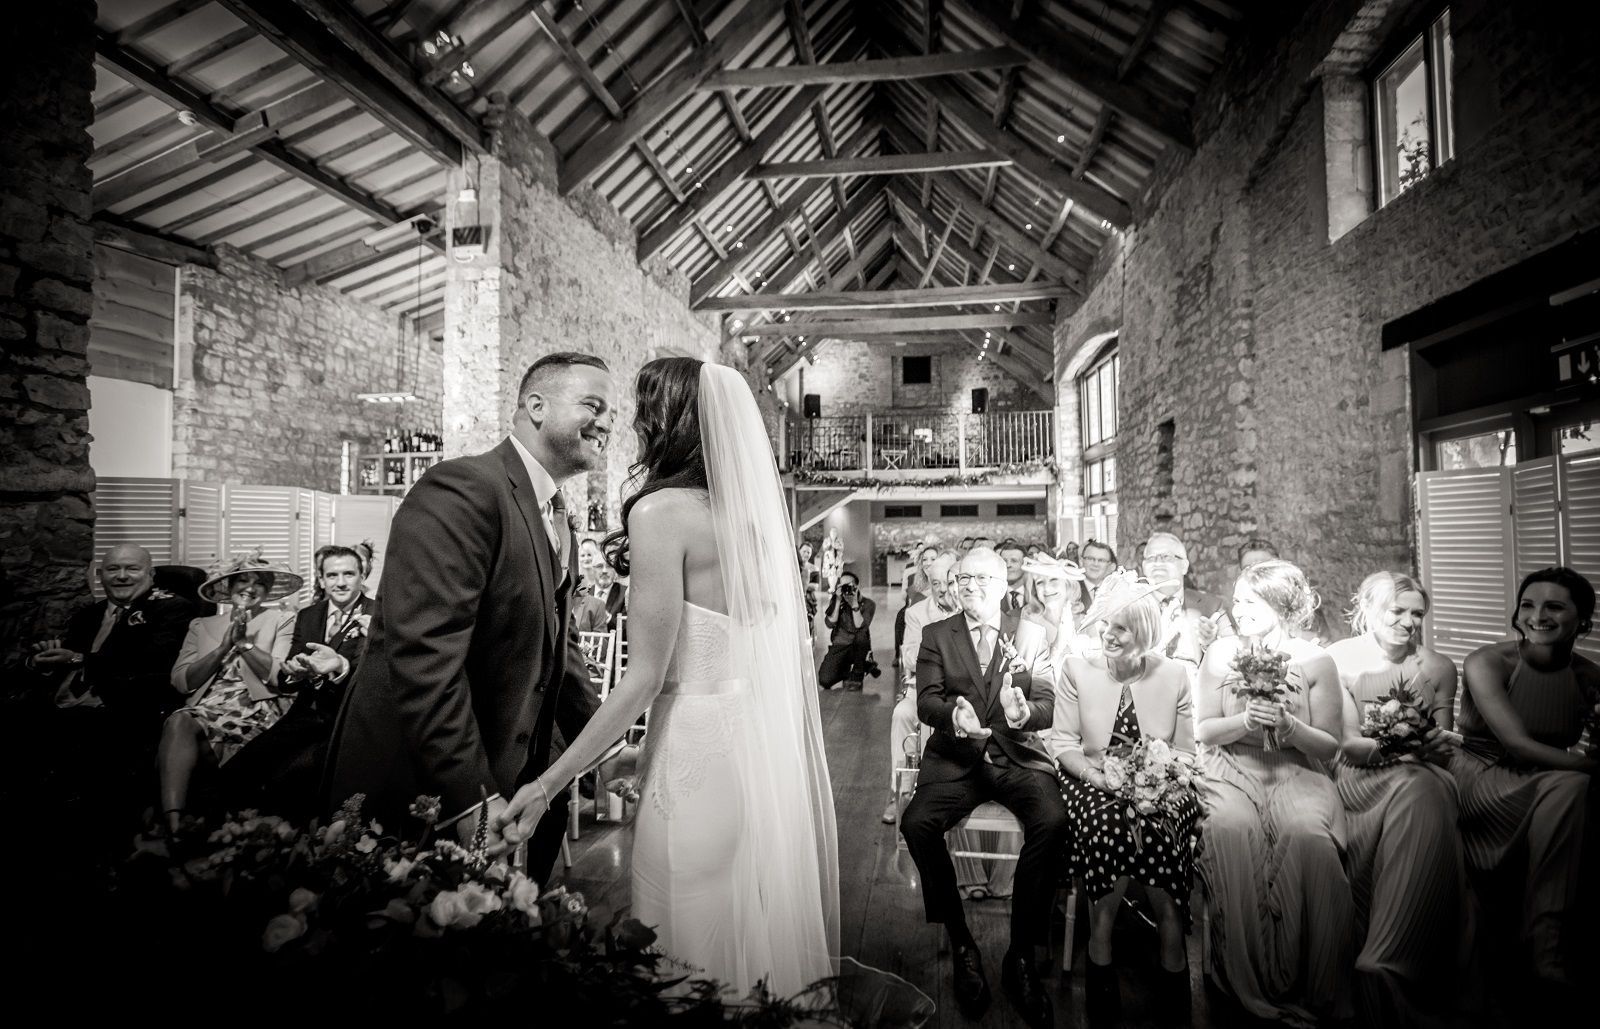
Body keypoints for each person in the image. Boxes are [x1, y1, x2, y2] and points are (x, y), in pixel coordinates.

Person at [496, 358, 838, 997]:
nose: (633, 423)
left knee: (676, 947)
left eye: (644, 408)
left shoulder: (661, 512)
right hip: (748, 760)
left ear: (670, 420)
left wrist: (548, 784)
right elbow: (801, 641)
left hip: (691, 767)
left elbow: (645, 680)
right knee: (738, 949)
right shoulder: (753, 521)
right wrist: (637, 751)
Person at [325, 352, 608, 885]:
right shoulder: (464, 489)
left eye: (611, 411)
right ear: (536, 406)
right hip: (428, 799)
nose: (608, 422)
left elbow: (560, 653)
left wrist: (600, 751)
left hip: (521, 789)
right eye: (593, 405)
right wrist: (471, 798)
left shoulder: (555, 513)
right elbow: (424, 658)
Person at [899, 547, 1065, 1029]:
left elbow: (1046, 700)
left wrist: (1023, 714)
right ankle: (961, 939)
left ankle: (1021, 955)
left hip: (1015, 756)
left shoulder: (1031, 633)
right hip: (956, 759)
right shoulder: (936, 634)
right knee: (917, 824)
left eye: (981, 578)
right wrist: (953, 716)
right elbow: (927, 699)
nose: (970, 586)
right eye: (963, 578)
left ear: (1003, 584)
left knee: (1053, 822)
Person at [1195, 559, 1352, 1024]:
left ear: (1282, 605)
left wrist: (1289, 727)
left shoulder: (1316, 660)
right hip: (1231, 767)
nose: (1238, 610)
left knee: (1308, 836)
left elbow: (1329, 743)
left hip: (1296, 768)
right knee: (1230, 829)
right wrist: (1245, 723)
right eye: (1237, 599)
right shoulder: (1221, 653)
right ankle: (1242, 976)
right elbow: (1203, 728)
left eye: (1250, 601)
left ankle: (1312, 980)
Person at [1048, 573, 1201, 1018]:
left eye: (1121, 628)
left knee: (1166, 824)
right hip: (1092, 779)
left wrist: (1160, 777)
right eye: (1105, 625)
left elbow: (1187, 752)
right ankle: (1101, 940)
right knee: (1108, 824)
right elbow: (1064, 745)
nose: (1108, 635)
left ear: (1145, 633)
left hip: (1162, 779)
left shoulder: (1174, 675)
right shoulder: (1077, 669)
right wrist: (1101, 780)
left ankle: (1173, 948)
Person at [1326, 572, 1465, 1026]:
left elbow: (1444, 741)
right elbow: (1348, 745)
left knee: (1428, 785)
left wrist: (1436, 743)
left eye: (1417, 615)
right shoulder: (1340, 660)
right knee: (1421, 786)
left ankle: (1393, 953)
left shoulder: (1439, 667)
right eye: (1397, 611)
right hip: (1362, 776)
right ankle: (1387, 954)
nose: (1408, 623)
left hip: (1423, 771)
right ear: (1368, 608)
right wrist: (1399, 745)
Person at [1450, 567, 1598, 993]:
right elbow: (1518, 745)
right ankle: (1545, 943)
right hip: (1483, 777)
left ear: (1582, 621)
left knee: (1575, 792)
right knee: (1573, 786)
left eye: (1554, 606)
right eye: (1528, 605)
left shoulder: (1590, 677)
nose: (1538, 616)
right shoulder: (1488, 661)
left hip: (1551, 784)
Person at [21, 544, 197, 845]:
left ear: (151, 574)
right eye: (113, 569)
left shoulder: (172, 608)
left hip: (126, 707)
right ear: (99, 575)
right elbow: (66, 656)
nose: (122, 576)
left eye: (132, 569)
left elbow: (155, 660)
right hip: (65, 704)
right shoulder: (87, 615)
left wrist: (79, 660)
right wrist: (42, 662)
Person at [220, 544, 375, 819]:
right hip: (304, 715)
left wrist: (338, 668)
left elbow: (375, 676)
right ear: (321, 579)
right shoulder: (308, 615)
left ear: (362, 576)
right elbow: (286, 680)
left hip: (348, 720)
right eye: (332, 575)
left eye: (348, 574)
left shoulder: (378, 616)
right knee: (240, 770)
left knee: (290, 778)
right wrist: (295, 672)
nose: (340, 583)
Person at [160, 553, 299, 833]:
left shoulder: (282, 619)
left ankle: (199, 830)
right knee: (178, 721)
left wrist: (243, 644)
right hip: (205, 709)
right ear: (229, 586)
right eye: (243, 580)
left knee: (184, 752)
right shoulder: (201, 625)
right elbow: (181, 682)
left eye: (259, 583)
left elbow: (279, 676)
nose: (250, 588)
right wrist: (223, 648)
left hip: (258, 709)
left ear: (268, 590)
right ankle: (173, 825)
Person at [885, 552, 960, 823]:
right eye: (935, 583)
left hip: (963, 690)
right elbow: (910, 658)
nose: (942, 590)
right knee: (902, 714)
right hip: (923, 688)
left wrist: (933, 653)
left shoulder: (968, 607)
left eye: (947, 582)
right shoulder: (916, 613)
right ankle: (900, 793)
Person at [1142, 531, 1233, 668]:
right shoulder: (1131, 607)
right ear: (1143, 567)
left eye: (1166, 557)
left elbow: (1232, 653)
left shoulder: (1211, 606)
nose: (1157, 563)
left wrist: (1211, 643)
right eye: (1151, 558)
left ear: (1184, 566)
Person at [1239, 537, 1342, 645]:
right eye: (1248, 568)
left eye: (1264, 567)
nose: (1255, 573)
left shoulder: (1303, 606)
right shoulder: (1237, 611)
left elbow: (1323, 645)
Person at [820, 571, 877, 690]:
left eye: (849, 585)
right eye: (842, 585)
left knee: (861, 636)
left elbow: (859, 626)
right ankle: (848, 669)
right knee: (824, 680)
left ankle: (857, 674)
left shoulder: (868, 604)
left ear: (857, 586)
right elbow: (830, 624)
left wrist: (854, 604)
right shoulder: (837, 600)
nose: (846, 588)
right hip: (840, 644)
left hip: (858, 645)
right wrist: (837, 601)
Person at [894, 544, 941, 668]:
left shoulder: (946, 590)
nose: (928, 563)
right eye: (924, 559)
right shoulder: (914, 589)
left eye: (933, 559)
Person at [998, 542, 1027, 614]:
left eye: (1014, 561)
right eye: (1004, 561)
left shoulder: (1037, 595)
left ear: (1025, 564)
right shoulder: (994, 597)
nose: (1008, 565)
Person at [821, 527, 844, 593]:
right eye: (832, 532)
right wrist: (830, 545)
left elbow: (842, 548)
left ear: (837, 533)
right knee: (830, 574)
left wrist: (835, 546)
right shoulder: (826, 540)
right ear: (830, 532)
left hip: (837, 559)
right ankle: (831, 587)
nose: (833, 533)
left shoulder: (840, 540)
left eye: (835, 532)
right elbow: (824, 548)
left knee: (835, 574)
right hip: (829, 560)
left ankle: (833, 587)